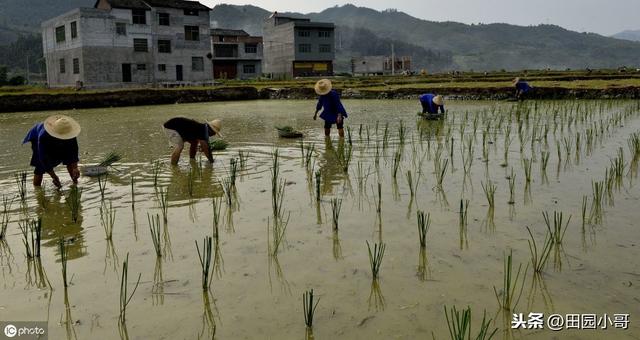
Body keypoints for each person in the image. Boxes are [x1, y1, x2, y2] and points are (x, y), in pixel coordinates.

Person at [23, 114, 81, 188]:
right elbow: (43, 159)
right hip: (36, 135)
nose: (64, 139)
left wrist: (75, 168)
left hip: (56, 138)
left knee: (69, 160)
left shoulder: (69, 133)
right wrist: (54, 176)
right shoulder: (43, 136)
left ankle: (75, 183)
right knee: (40, 167)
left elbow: (73, 152)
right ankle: (37, 189)